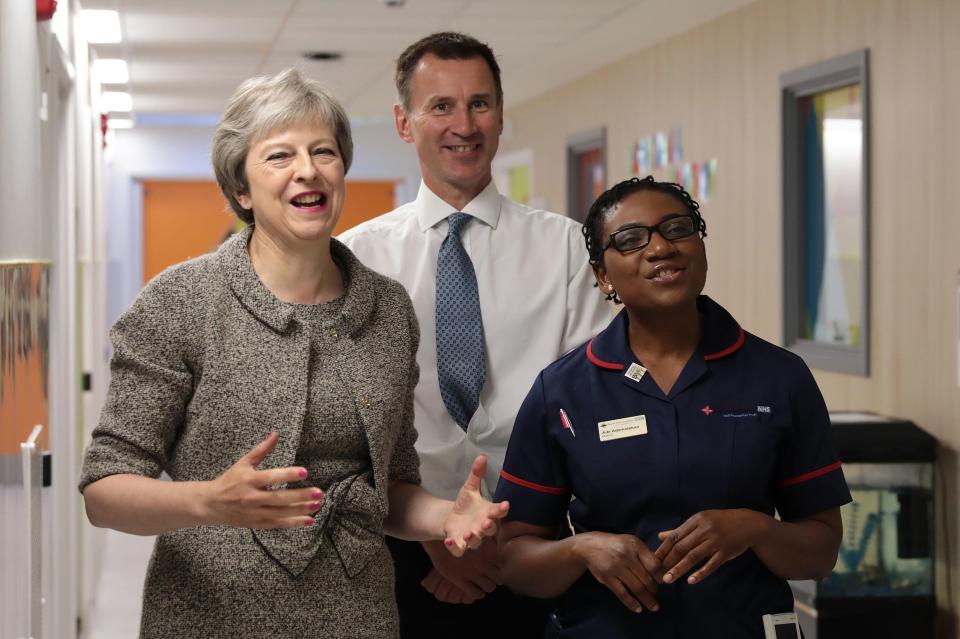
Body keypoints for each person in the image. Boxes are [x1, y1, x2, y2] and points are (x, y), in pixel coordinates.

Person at [79, 68, 508, 639]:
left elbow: (392, 488)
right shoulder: (181, 301)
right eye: (279, 156)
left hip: (360, 615)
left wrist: (445, 516)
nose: (308, 169)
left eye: (324, 151)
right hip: (209, 617)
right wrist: (209, 501)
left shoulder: (387, 308)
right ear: (241, 190)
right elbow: (105, 492)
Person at [494, 176, 851, 638]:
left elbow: (821, 551)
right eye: (630, 239)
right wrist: (581, 550)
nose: (660, 248)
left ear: (700, 247)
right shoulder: (562, 390)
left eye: (677, 229)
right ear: (603, 276)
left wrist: (755, 529)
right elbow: (513, 559)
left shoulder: (778, 377)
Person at [338, 32, 610, 638]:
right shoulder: (355, 260)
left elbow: (590, 402)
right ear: (404, 123)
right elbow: (346, 425)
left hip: (539, 546)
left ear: (501, 113)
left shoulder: (566, 248)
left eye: (480, 103)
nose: (464, 124)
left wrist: (512, 537)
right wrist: (436, 529)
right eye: (441, 106)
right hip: (401, 553)